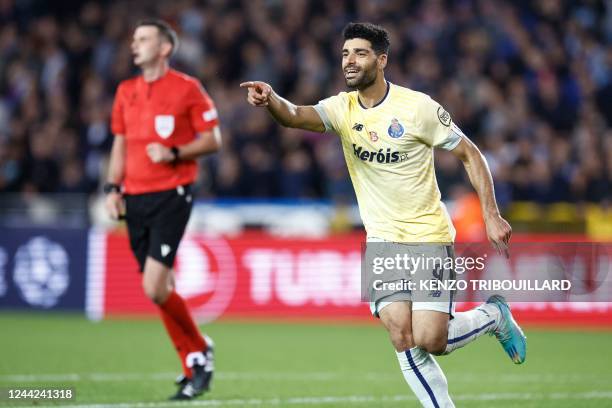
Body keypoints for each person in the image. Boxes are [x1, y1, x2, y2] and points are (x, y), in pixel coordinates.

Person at [241, 22, 526, 407]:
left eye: (359, 53)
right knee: (400, 334)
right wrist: (271, 99)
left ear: (381, 59)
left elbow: (470, 154)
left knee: (431, 340)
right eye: (345, 53)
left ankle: (493, 316)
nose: (350, 61)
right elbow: (294, 116)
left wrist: (491, 214)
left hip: (427, 235)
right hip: (382, 239)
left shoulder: (417, 108)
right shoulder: (342, 109)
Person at [105, 19, 221, 400]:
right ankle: (194, 359)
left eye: (142, 39)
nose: (134, 44)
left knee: (154, 286)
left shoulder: (187, 89)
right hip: (134, 198)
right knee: (161, 290)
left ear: (164, 48)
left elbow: (213, 140)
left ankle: (198, 350)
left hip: (172, 193)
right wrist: (112, 187)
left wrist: (174, 152)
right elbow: (120, 144)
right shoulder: (126, 91)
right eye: (133, 38)